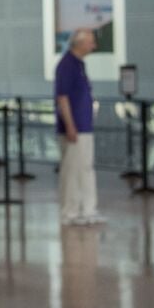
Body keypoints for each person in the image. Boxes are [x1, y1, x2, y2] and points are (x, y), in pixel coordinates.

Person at [54, 28, 104, 226]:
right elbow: (62, 98)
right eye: (90, 42)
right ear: (80, 43)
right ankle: (70, 212)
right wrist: (70, 126)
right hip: (74, 129)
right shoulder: (66, 65)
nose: (93, 46)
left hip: (85, 126)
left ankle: (88, 209)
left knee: (85, 169)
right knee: (72, 171)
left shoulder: (79, 65)